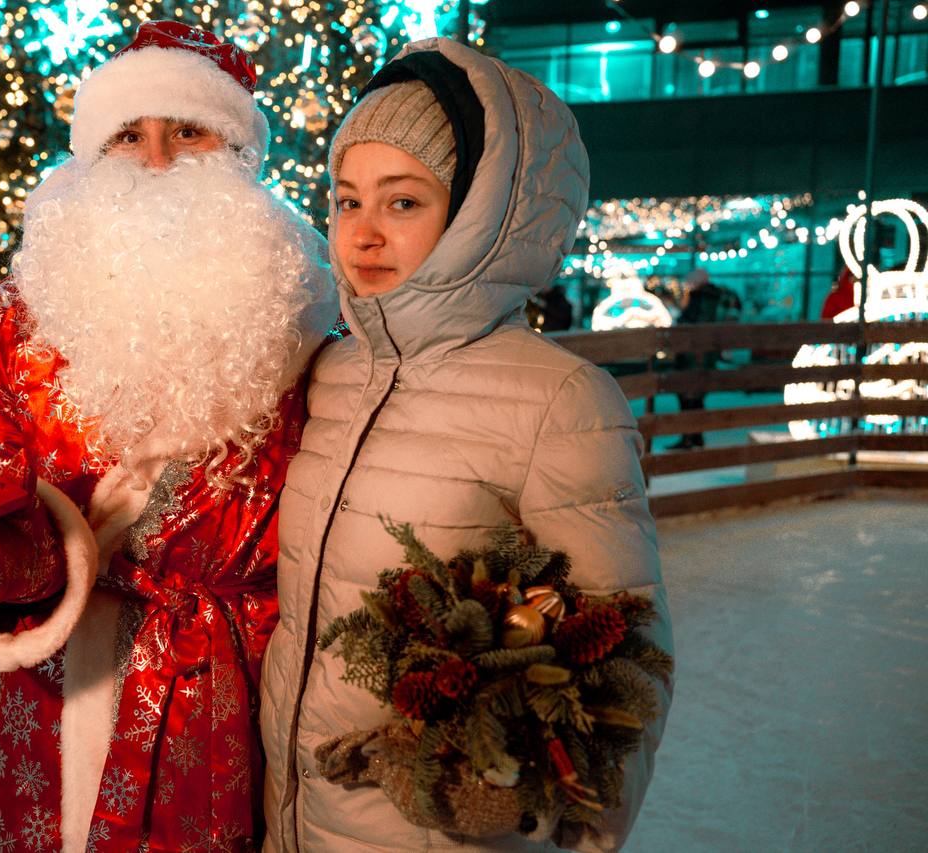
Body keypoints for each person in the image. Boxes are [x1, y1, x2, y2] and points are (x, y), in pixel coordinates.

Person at [0, 21, 336, 852]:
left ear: (238, 150)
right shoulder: (19, 309)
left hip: (221, 673)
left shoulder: (302, 309)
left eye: (189, 131)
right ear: (89, 156)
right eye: (128, 134)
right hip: (65, 662)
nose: (159, 160)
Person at [260, 39, 672, 852]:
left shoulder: (560, 400)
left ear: (484, 213)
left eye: (403, 202)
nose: (364, 234)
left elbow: (632, 663)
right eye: (347, 201)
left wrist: (551, 813)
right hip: (289, 817)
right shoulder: (329, 373)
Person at [668, 267, 724, 450]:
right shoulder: (707, 297)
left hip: (694, 358)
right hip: (697, 357)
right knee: (693, 399)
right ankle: (694, 436)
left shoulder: (702, 298)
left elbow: (693, 324)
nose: (687, 282)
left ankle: (689, 437)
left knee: (690, 399)